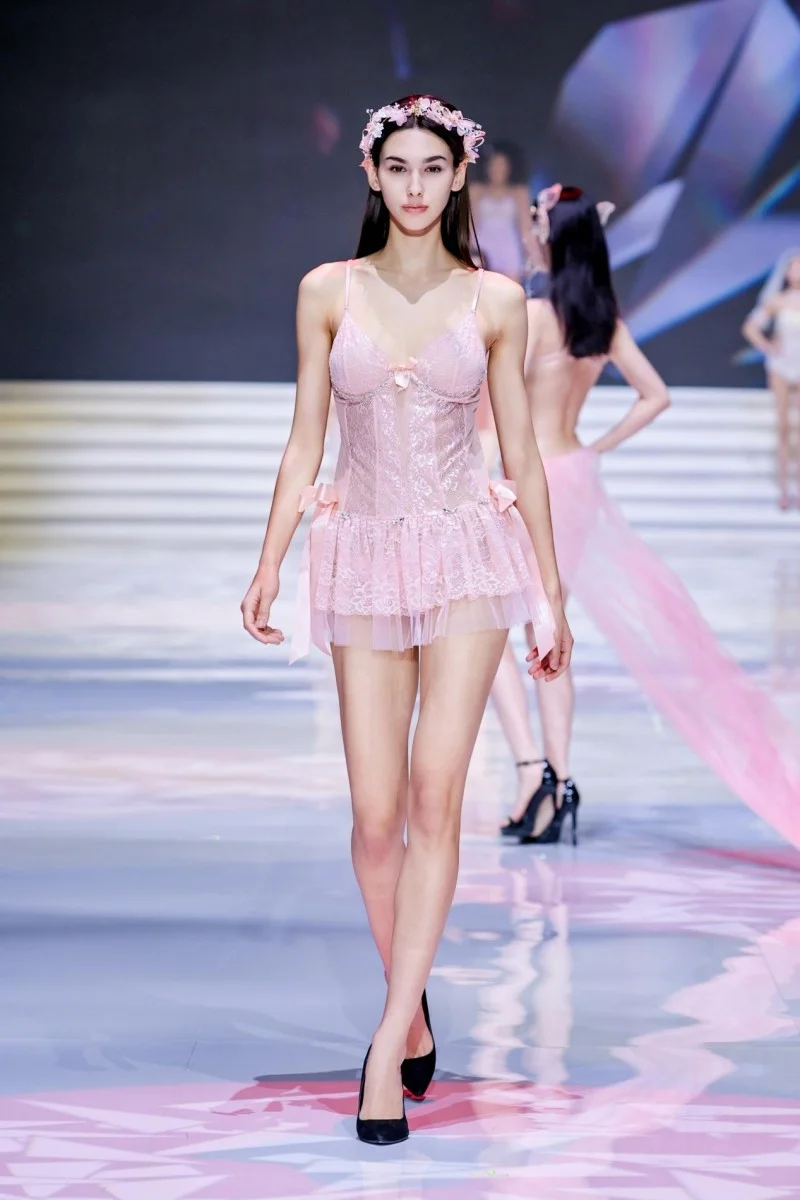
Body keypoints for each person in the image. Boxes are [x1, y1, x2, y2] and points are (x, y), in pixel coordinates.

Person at [239, 95, 573, 1145]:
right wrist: (269, 558)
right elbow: (305, 438)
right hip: (361, 556)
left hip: (466, 554)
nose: (417, 186)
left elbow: (522, 456)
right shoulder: (327, 290)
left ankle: (386, 1047)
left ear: (458, 176)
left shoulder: (495, 299)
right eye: (400, 168)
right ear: (372, 177)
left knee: (436, 800)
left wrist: (550, 593)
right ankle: (414, 1001)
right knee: (374, 816)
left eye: (435, 168)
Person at [487, 186, 800, 849]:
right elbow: (655, 395)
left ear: (551, 237)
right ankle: (557, 782)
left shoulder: (532, 316)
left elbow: (495, 416)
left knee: (492, 632)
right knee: (548, 635)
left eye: (536, 221)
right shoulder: (601, 321)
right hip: (573, 475)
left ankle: (532, 773)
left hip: (525, 482)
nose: (530, 232)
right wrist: (594, 449)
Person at [742, 249, 800, 510]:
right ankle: (784, 490)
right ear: (786, 272)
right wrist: (767, 346)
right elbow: (750, 327)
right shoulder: (778, 301)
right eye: (794, 267)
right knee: (784, 427)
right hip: (782, 365)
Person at [471, 143, 532, 282]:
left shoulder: (519, 192)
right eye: (494, 164)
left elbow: (526, 228)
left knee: (512, 289)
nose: (497, 169)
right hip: (482, 249)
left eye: (502, 165)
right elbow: (470, 225)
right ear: (487, 167)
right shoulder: (476, 191)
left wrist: (533, 257)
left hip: (510, 249)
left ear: (509, 168)